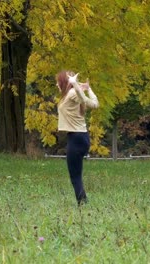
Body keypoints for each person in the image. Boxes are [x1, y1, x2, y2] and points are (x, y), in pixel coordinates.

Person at [56, 70, 99, 206]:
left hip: (76, 138)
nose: (57, 84)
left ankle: (83, 204)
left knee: (75, 176)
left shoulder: (72, 94)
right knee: (76, 175)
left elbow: (83, 99)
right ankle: (83, 202)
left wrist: (76, 85)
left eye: (58, 81)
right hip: (81, 137)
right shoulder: (73, 94)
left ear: (64, 82)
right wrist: (87, 88)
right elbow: (94, 104)